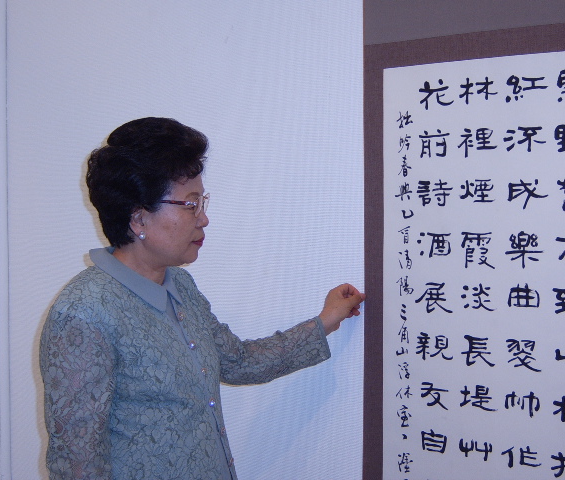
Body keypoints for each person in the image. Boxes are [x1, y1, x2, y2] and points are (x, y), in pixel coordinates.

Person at [39, 117, 365, 480]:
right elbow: (77, 467)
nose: (204, 219)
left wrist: (326, 321)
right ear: (138, 219)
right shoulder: (84, 313)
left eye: (202, 202)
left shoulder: (180, 285)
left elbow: (238, 361)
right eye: (190, 205)